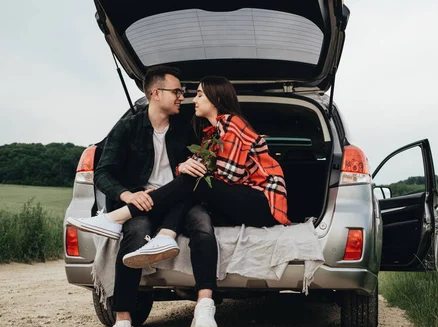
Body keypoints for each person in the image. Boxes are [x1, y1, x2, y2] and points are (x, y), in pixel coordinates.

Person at [69, 66, 220, 327]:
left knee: (202, 221)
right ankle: (122, 323)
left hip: (180, 202)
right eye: (176, 91)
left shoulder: (187, 125)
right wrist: (128, 195)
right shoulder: (128, 128)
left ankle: (205, 307)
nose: (182, 97)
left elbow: (211, 150)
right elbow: (103, 173)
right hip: (143, 202)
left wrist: (186, 166)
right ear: (155, 93)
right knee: (135, 234)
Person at [69, 75, 291, 274]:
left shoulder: (232, 125)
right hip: (239, 202)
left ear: (216, 99)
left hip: (264, 203)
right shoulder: (211, 133)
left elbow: (227, 176)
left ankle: (117, 218)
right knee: (191, 183)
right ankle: (164, 235)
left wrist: (183, 175)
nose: (191, 99)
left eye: (200, 95)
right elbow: (203, 176)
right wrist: (183, 169)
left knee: (194, 183)